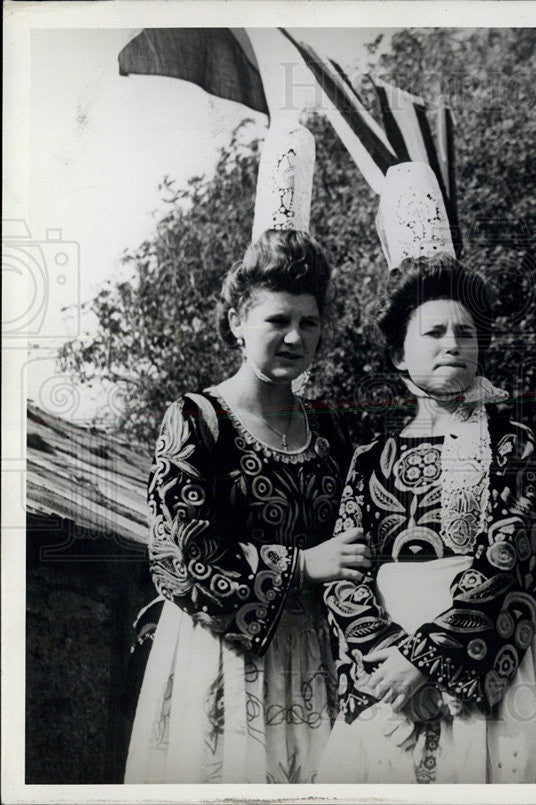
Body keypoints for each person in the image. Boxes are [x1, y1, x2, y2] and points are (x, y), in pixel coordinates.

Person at [125, 125, 366, 783]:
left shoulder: (332, 434)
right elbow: (182, 563)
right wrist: (304, 565)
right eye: (276, 320)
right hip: (219, 663)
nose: (293, 336)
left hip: (313, 663)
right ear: (238, 319)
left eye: (308, 322)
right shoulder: (196, 421)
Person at [318, 162, 536, 784]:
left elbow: (512, 561)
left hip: (484, 672)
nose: (452, 343)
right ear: (400, 353)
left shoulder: (516, 447)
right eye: (433, 332)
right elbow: (346, 577)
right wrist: (392, 663)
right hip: (389, 678)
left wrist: (431, 659)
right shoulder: (369, 459)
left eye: (466, 332)